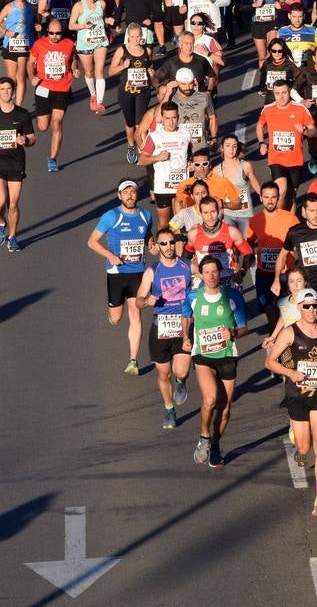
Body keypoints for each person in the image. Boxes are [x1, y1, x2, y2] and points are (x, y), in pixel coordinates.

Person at [266, 287, 317, 516]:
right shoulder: (289, 333)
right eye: (306, 306)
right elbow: (270, 362)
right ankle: (296, 437)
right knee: (304, 446)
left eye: (314, 306)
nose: (311, 310)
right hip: (296, 395)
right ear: (299, 308)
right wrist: (291, 374)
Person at [182, 256, 247, 468]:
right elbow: (186, 315)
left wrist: (233, 332)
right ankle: (204, 437)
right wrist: (185, 337)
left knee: (225, 407)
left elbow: (244, 328)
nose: (210, 276)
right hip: (203, 355)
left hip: (227, 355)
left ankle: (216, 444)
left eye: (214, 271)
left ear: (221, 273)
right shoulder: (193, 296)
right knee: (209, 399)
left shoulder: (233, 296)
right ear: (200, 274)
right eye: (206, 272)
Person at [87, 179, 153, 375]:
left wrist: (152, 243)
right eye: (126, 193)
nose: (130, 196)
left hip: (137, 272)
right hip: (116, 274)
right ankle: (112, 314)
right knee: (116, 318)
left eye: (133, 192)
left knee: (136, 314)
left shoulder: (145, 215)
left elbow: (148, 235)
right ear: (119, 196)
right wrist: (110, 256)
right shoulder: (111, 216)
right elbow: (92, 242)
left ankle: (133, 360)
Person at [135, 227, 193, 430]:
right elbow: (138, 301)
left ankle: (181, 381)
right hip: (160, 327)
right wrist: (146, 301)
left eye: (171, 243)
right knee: (163, 374)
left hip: (183, 325)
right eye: (164, 244)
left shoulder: (187, 266)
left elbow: (205, 277)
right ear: (157, 246)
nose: (168, 247)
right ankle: (169, 409)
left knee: (182, 370)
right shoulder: (153, 271)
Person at [256, 78, 316, 208]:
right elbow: (260, 126)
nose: (281, 97)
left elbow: (314, 132)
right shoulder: (268, 109)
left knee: (291, 195)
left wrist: (305, 131)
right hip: (276, 159)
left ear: (289, 92)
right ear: (273, 94)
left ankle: (290, 225)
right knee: (281, 190)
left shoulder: (300, 109)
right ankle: (279, 220)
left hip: (296, 160)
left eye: (284, 93)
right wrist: (261, 143)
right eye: (277, 93)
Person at [27, 19, 78, 172]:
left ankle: (53, 159)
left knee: (56, 123)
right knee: (43, 127)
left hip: (62, 88)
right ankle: (42, 120)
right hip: (43, 87)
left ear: (62, 32)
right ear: (47, 31)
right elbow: (31, 63)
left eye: (58, 33)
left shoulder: (69, 44)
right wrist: (32, 77)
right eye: (51, 33)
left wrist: (74, 69)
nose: (54, 36)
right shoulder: (39, 44)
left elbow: (73, 59)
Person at [247, 181, 299, 332]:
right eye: (266, 197)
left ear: (278, 198)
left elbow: (298, 242)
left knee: (286, 306)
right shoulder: (256, 220)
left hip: (285, 271)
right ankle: (274, 333)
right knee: (267, 305)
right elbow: (249, 241)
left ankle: (280, 336)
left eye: (273, 197)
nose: (270, 200)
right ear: (261, 198)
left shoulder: (290, 218)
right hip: (264, 272)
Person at [138, 101, 193, 228]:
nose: (171, 121)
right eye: (167, 118)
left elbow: (190, 154)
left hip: (182, 185)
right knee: (164, 224)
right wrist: (157, 157)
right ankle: (163, 246)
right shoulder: (154, 136)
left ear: (178, 117)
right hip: (162, 187)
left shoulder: (186, 134)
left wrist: (191, 164)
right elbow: (142, 160)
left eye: (174, 118)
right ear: (162, 118)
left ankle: (180, 247)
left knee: (181, 224)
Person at [108, 22, 153, 164]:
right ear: (128, 37)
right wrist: (123, 66)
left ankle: (144, 150)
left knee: (141, 123)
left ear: (141, 36)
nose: (134, 39)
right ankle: (131, 145)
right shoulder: (122, 51)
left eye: (137, 36)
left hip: (143, 91)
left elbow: (149, 67)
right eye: (132, 36)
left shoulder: (147, 51)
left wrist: (151, 73)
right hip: (126, 92)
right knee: (130, 123)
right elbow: (110, 71)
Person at [0, 75, 34, 251]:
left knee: (13, 204)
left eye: (8, 89)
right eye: (2, 89)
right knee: (1, 201)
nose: (5, 92)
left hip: (16, 163)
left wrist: (25, 141)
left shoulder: (22, 114)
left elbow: (32, 138)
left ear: (13, 92)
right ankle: (1, 222)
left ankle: (12, 237)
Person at [69, 0, 110, 115]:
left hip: (100, 41)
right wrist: (83, 26)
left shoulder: (102, 4)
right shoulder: (79, 6)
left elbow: (102, 19)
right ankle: (93, 94)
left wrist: (107, 21)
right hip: (84, 43)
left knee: (99, 71)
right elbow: (71, 25)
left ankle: (99, 102)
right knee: (89, 72)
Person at [214, 133, 260, 237]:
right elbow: (214, 193)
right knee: (231, 244)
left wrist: (264, 196)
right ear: (222, 148)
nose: (231, 149)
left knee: (247, 244)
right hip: (227, 213)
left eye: (234, 146)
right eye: (228, 145)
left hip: (245, 212)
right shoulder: (216, 170)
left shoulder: (246, 166)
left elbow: (255, 184)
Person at [1, 0, 36, 106]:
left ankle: (18, 106)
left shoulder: (32, 8)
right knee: (11, 79)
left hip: (25, 46)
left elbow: (36, 26)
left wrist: (37, 27)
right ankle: (9, 103)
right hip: (10, 44)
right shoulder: (9, 7)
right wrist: (6, 32)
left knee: (21, 77)